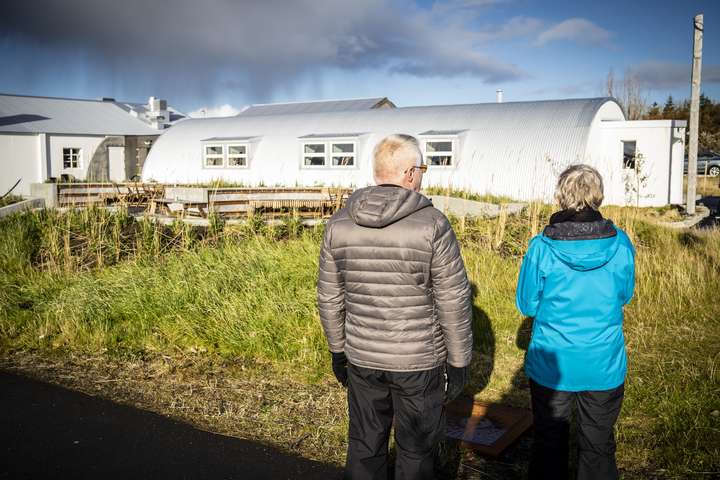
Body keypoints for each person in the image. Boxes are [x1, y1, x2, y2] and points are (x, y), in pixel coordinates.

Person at [317, 134, 473, 480]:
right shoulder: (433, 224)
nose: (422, 175)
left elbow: (329, 296)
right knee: (416, 452)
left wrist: (337, 351)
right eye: (422, 168)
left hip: (362, 357)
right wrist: (459, 361)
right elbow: (453, 298)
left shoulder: (339, 224)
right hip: (417, 362)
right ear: (408, 173)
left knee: (364, 445)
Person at [516, 164, 636, 480]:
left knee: (549, 443)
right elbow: (624, 295)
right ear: (598, 196)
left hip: (552, 364)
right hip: (604, 362)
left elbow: (527, 304)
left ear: (560, 197)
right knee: (598, 445)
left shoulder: (541, 246)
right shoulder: (621, 242)